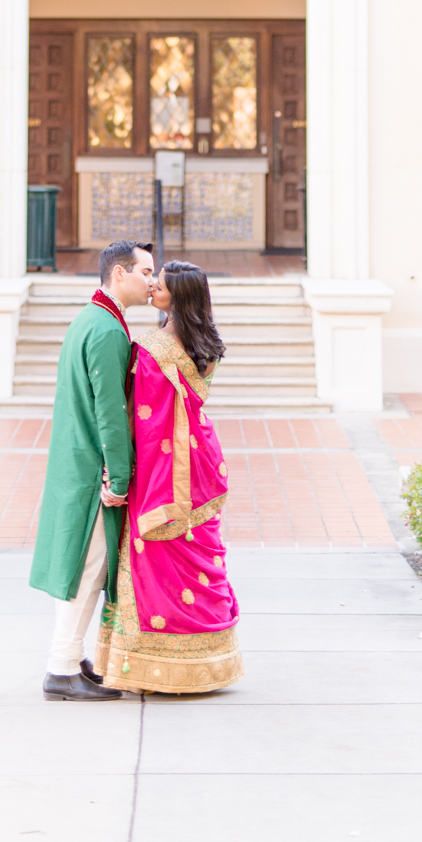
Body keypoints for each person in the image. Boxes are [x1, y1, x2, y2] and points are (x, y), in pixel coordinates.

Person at [94, 258, 243, 694]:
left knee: (155, 556)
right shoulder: (207, 343)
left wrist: (120, 472)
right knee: (199, 552)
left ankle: (151, 664)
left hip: (163, 467)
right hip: (199, 465)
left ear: (177, 296)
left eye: (159, 284)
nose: (152, 288)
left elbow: (141, 420)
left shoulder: (151, 348)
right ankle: (209, 660)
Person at [30, 237, 155, 700]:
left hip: (76, 463)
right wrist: (119, 479)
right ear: (118, 274)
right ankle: (60, 668)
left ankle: (69, 659)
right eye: (145, 272)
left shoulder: (91, 319)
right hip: (92, 472)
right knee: (88, 569)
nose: (153, 281)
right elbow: (111, 413)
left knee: (85, 568)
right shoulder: (105, 330)